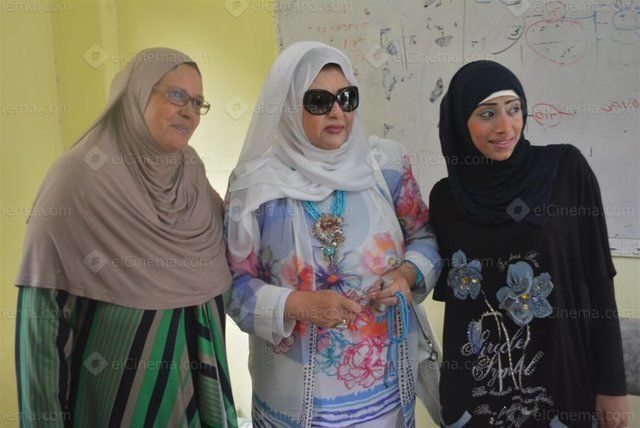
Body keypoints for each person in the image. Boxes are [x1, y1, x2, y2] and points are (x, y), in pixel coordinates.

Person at [15, 48, 238, 427]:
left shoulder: (190, 173)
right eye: (177, 95)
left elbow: (229, 255)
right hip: (113, 399)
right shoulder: (79, 177)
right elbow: (42, 320)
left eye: (198, 102)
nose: (189, 111)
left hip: (198, 392)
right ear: (136, 94)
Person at [224, 41, 441, 427]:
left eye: (346, 97)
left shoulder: (385, 165)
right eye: (319, 101)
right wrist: (297, 305)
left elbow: (425, 238)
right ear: (288, 106)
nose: (337, 111)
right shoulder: (255, 187)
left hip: (384, 393)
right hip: (294, 400)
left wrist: (405, 275)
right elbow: (232, 287)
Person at [429, 60, 629, 427]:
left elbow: (599, 282)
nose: (505, 127)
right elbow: (459, 311)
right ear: (459, 121)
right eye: (487, 113)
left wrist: (613, 384)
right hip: (476, 395)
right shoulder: (446, 198)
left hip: (562, 383)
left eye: (514, 109)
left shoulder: (565, 169)